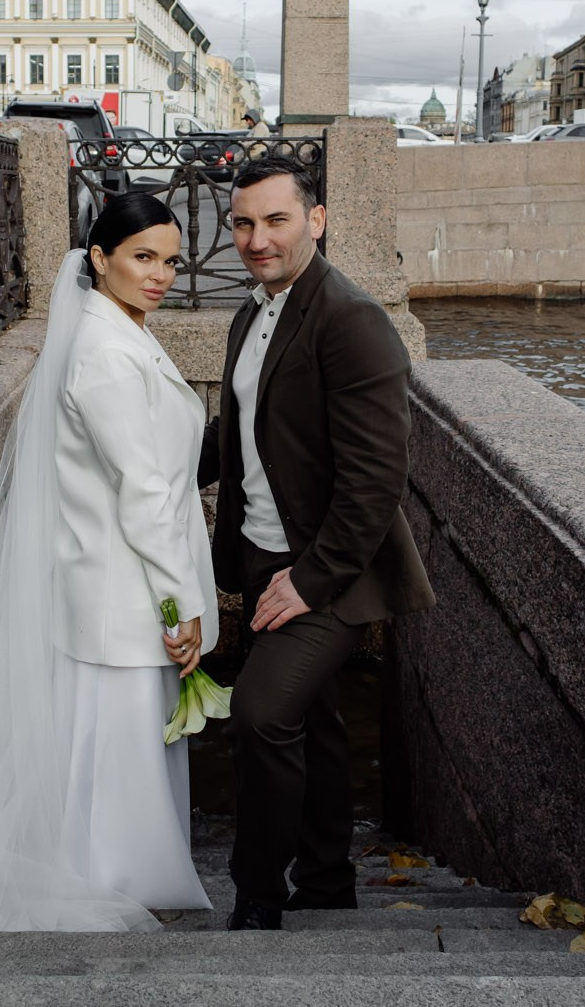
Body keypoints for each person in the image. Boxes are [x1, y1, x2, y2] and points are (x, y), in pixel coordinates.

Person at [0, 192, 220, 932]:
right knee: (118, 746)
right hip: (125, 586)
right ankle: (113, 880)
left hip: (109, 580)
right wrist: (181, 600)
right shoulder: (104, 355)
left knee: (111, 747)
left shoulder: (117, 329)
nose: (159, 275)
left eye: (169, 260)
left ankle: (114, 870)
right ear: (99, 258)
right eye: (142, 258)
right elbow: (144, 495)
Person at [201, 154, 436, 931]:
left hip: (333, 567)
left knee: (263, 713)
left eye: (276, 220)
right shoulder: (252, 310)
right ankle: (329, 880)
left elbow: (376, 480)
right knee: (316, 720)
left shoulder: (351, 318)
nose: (257, 239)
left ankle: (259, 895)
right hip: (264, 553)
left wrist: (309, 580)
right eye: (243, 223)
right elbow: (233, 430)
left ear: (317, 220)